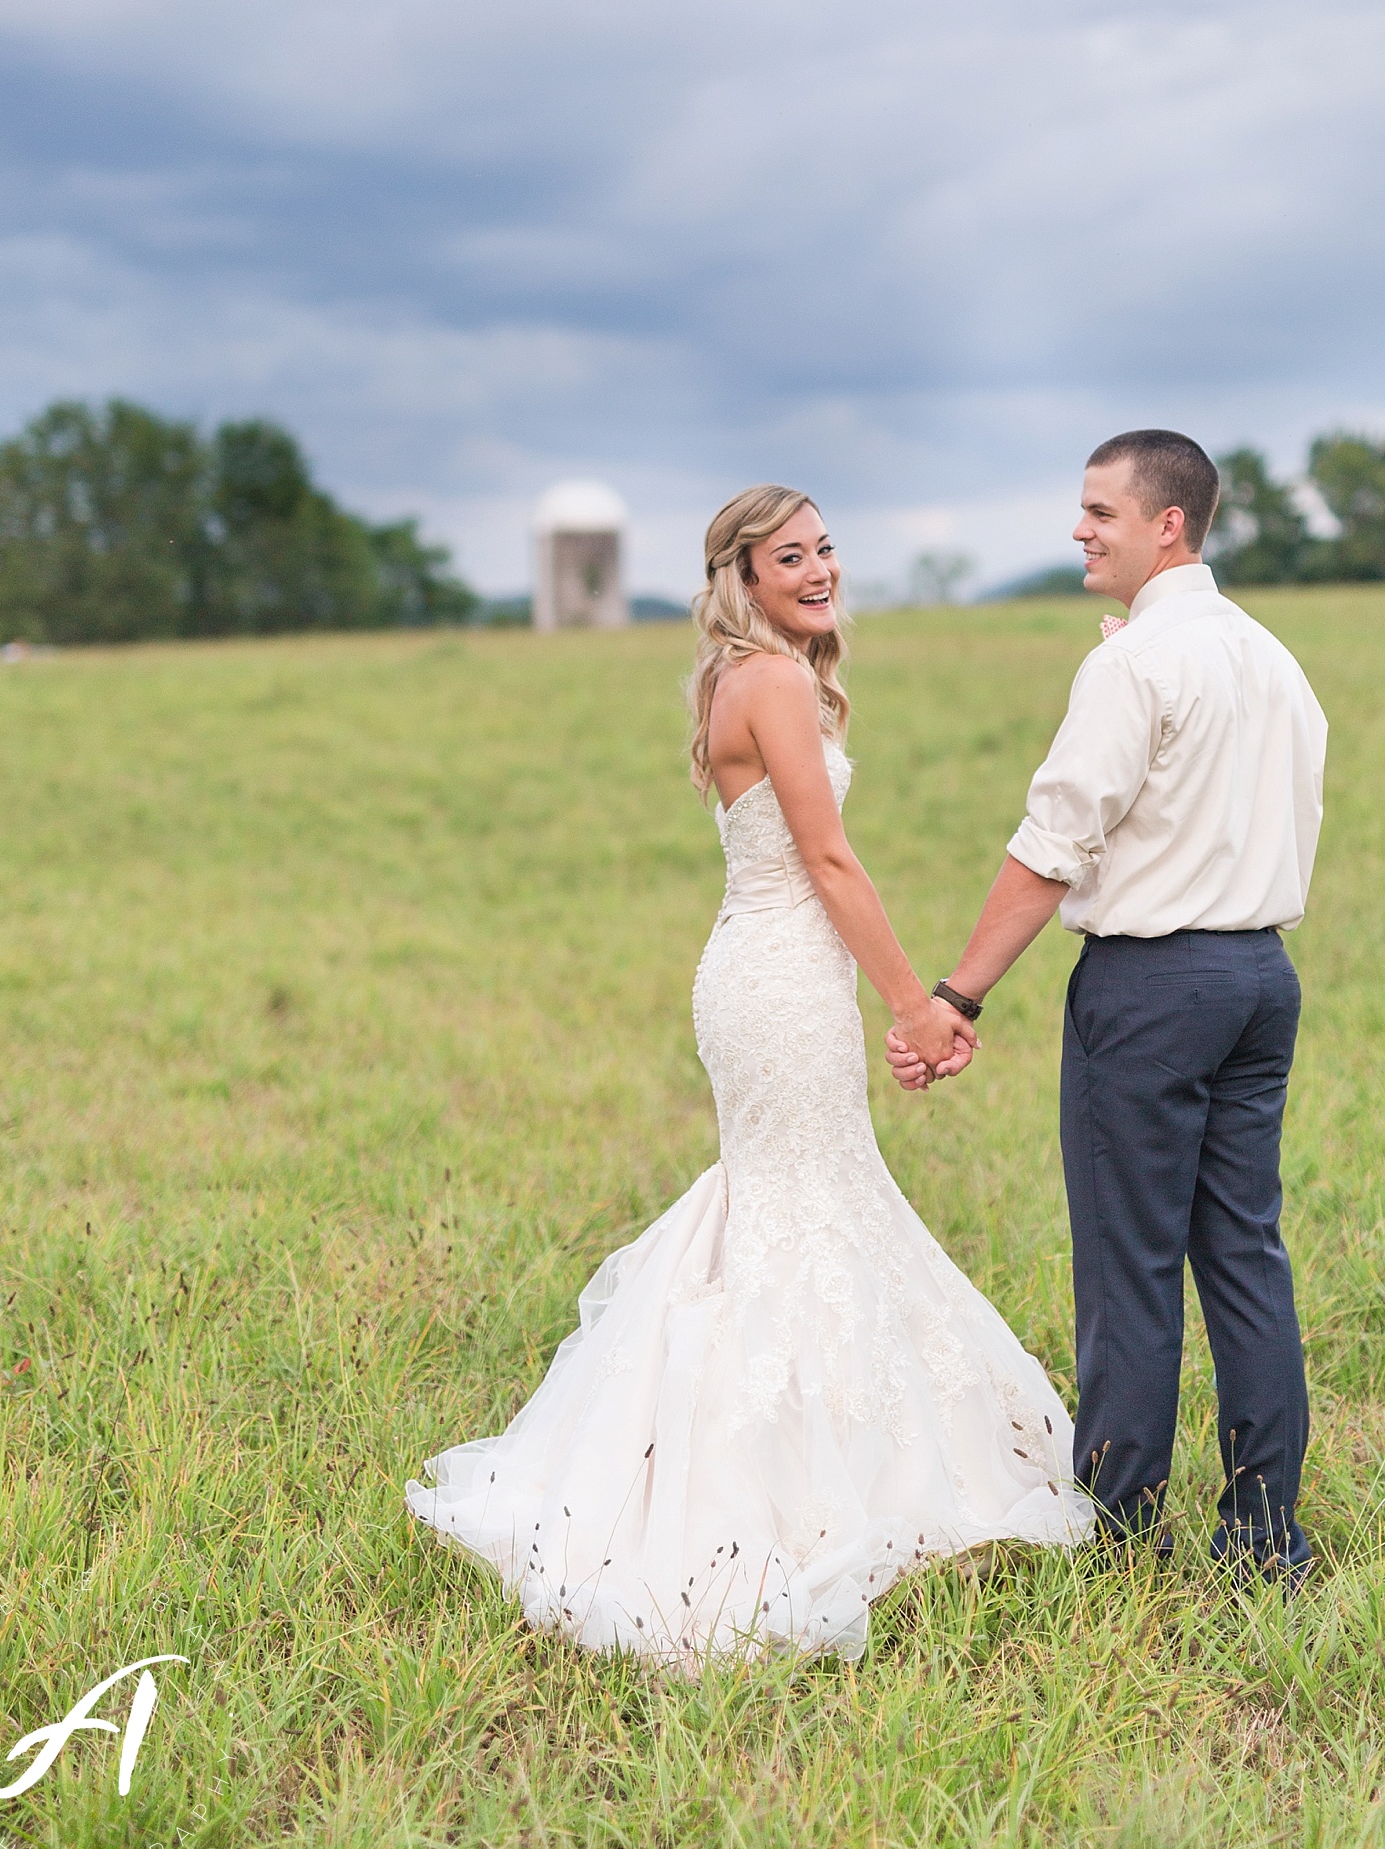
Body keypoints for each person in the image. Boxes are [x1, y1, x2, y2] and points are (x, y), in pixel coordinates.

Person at [406, 484, 1094, 1666]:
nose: (821, 567)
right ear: (744, 573)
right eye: (792, 555)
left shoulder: (757, 674)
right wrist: (916, 1003)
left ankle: (833, 1447)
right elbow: (827, 857)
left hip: (777, 970)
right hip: (779, 978)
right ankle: (773, 1482)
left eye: (827, 547)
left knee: (804, 1194)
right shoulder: (768, 680)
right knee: (796, 1202)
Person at [887, 431, 1327, 1583]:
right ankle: (1265, 1531)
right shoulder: (1274, 659)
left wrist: (956, 993)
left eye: (1101, 511)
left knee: (1129, 1260)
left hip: (1153, 988)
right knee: (1245, 1251)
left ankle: (1124, 1527)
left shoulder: (1132, 667)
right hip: (1260, 977)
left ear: (1167, 524)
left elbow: (1052, 848)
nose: (1080, 529)